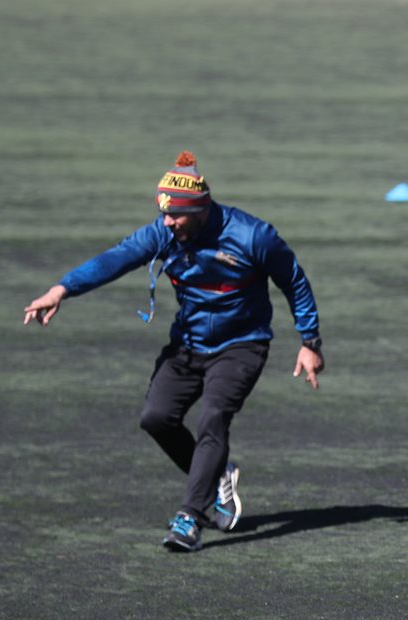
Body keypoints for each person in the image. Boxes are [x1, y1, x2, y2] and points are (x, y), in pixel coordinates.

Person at [24, 151, 324, 552]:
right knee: (156, 418)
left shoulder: (253, 236)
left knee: (213, 418)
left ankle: (189, 518)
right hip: (187, 344)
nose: (167, 221)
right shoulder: (164, 233)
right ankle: (218, 475)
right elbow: (115, 259)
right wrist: (62, 289)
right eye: (163, 213)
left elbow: (295, 282)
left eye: (175, 215)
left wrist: (310, 342)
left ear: (200, 209)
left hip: (242, 345)